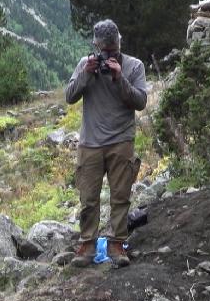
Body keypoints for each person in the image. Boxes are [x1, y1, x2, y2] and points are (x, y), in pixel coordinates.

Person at [64, 19, 149, 268]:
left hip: (121, 140)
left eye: (113, 51)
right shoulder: (84, 65)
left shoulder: (134, 66)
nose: (109, 55)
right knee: (88, 198)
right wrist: (86, 74)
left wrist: (119, 78)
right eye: (104, 51)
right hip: (90, 141)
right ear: (96, 45)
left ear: (119, 42)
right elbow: (70, 96)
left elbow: (140, 101)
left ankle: (116, 243)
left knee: (120, 196)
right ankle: (87, 245)